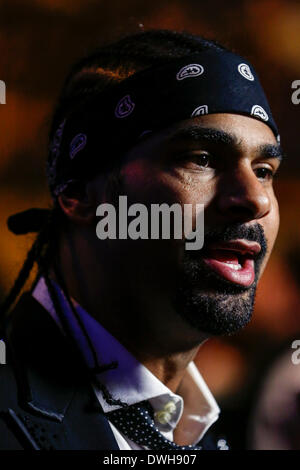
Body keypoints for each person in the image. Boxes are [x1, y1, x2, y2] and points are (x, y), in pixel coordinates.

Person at [0, 29, 282, 450]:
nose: (255, 198)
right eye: (201, 159)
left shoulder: (196, 429)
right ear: (78, 193)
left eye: (263, 170)